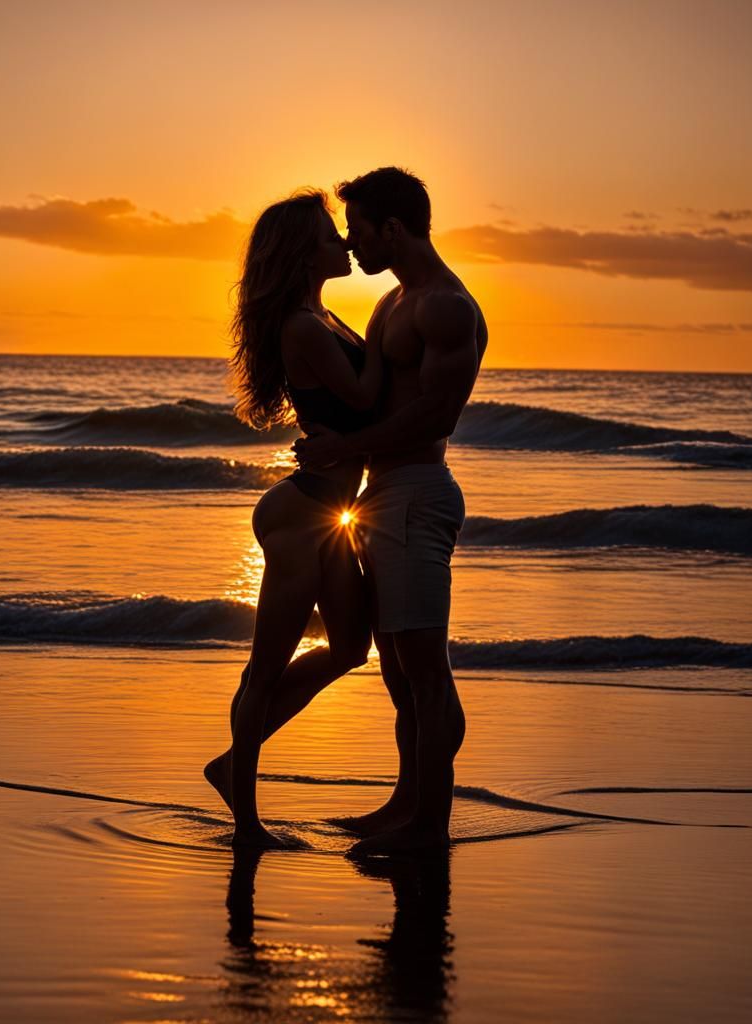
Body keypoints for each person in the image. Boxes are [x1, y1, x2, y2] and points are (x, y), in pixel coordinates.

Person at [294, 167, 488, 855]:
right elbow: (370, 395)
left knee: (425, 671)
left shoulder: (446, 308)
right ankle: (406, 805)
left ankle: (428, 827)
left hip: (418, 492)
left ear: (393, 228)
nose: (352, 243)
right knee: (399, 673)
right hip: (381, 498)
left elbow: (436, 412)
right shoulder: (389, 306)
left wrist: (347, 445)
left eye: (359, 229)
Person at [205, 188, 383, 849]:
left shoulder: (322, 316)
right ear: (302, 252)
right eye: (328, 231)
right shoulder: (304, 328)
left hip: (324, 512)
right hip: (301, 515)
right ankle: (246, 820)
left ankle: (231, 763)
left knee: (348, 649)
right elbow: (367, 395)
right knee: (263, 668)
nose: (342, 240)